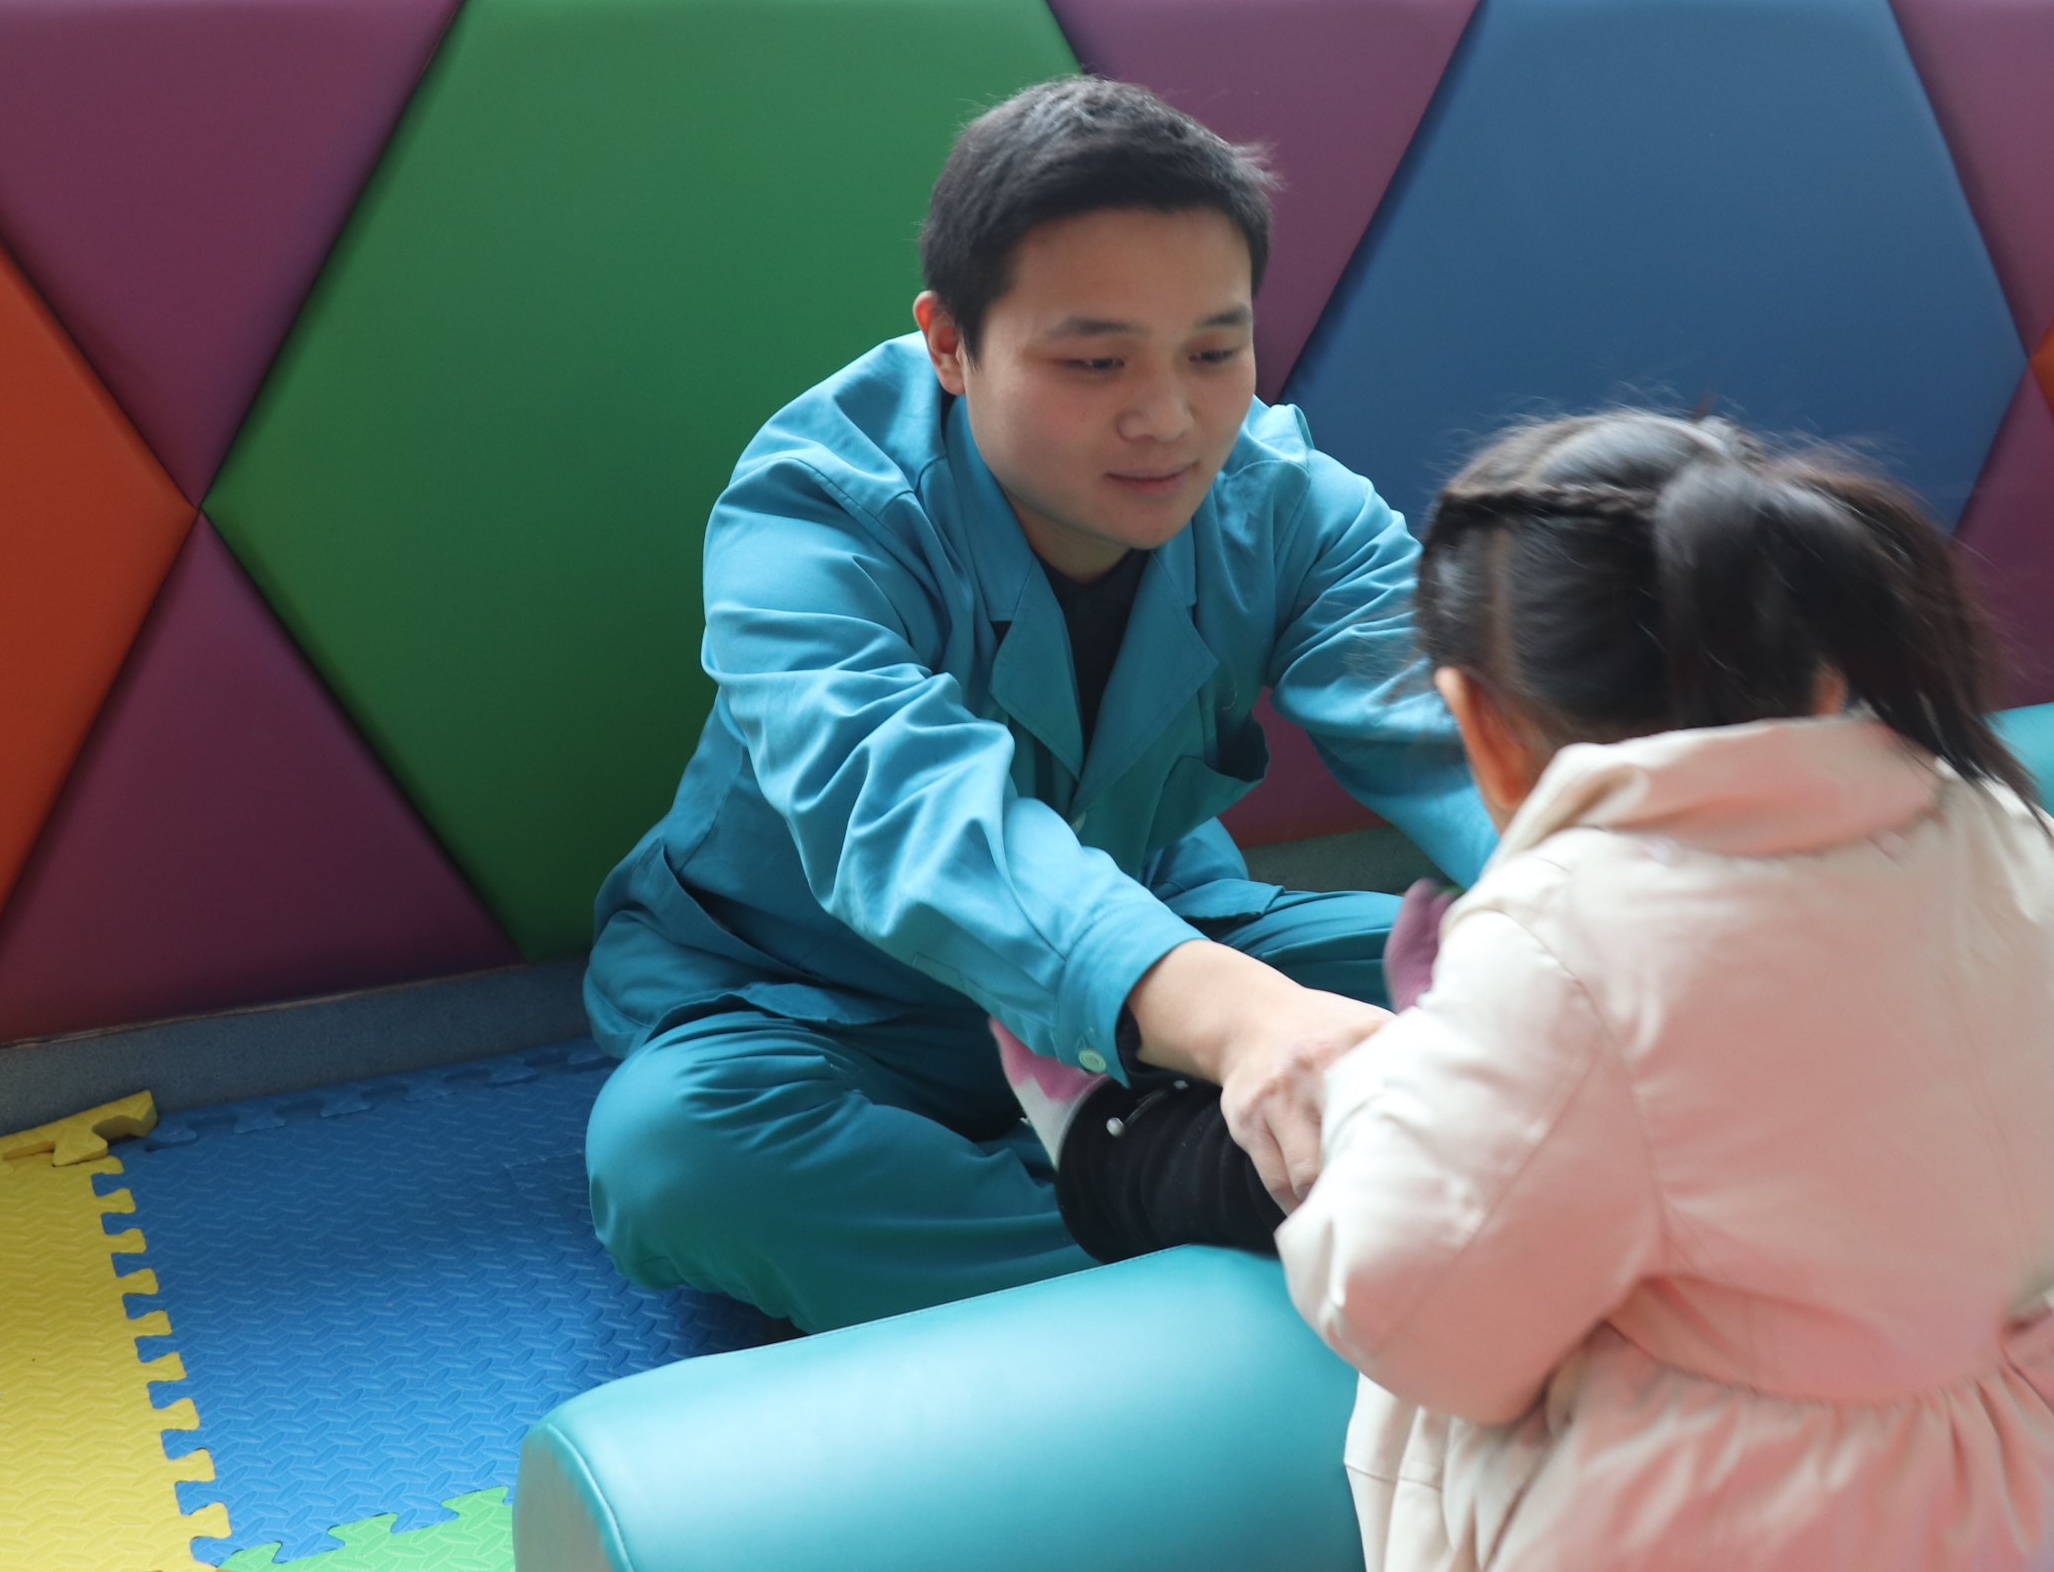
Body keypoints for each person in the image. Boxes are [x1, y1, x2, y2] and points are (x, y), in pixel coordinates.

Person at [1012, 411, 2054, 1569]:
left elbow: (1415, 1322)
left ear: (1478, 726)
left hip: (1801, 1519)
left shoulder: (1571, 945)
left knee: (1344, 1152)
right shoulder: (1998, 813)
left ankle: (1103, 1137)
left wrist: (1402, 1080)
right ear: (1823, 676)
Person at [579, 76, 1494, 1334]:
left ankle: (1216, 1210)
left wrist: (1639, 907)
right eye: (1095, 361)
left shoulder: (1284, 501)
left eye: (1214, 353)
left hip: (1169, 931)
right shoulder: (811, 509)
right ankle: (1227, 1212)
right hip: (825, 1001)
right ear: (950, 344)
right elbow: (910, 821)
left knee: (1538, 976)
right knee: (678, 1162)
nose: (1168, 418)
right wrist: (1238, 1022)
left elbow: (1474, 739)